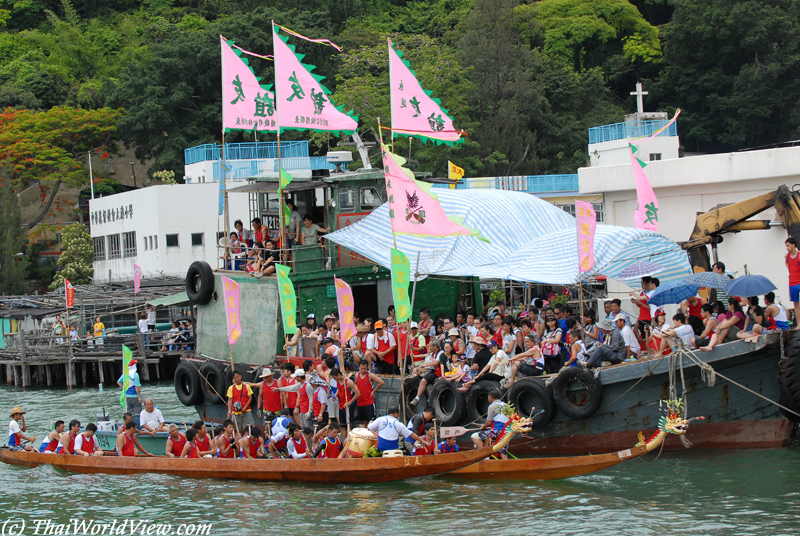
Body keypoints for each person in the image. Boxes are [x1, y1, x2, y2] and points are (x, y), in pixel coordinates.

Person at [471, 390, 510, 459]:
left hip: (496, 433)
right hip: (506, 433)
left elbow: (489, 422)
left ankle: (485, 456)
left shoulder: (491, 406)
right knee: (502, 452)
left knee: (474, 436)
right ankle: (507, 466)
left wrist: (484, 426)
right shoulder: (506, 406)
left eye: (488, 397)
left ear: (491, 397)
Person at [410, 340, 447, 408]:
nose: (429, 348)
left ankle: (417, 398)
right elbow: (425, 362)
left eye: (430, 346)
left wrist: (424, 365)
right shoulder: (431, 354)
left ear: (435, 346)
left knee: (423, 381)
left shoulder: (441, 353)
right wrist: (418, 368)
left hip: (438, 372)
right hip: (431, 370)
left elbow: (436, 363)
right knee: (416, 371)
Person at [787, 237, 800, 319]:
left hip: (799, 282)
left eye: (788, 246)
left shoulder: (799, 256)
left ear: (793, 245)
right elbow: (786, 262)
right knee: (796, 305)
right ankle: (799, 324)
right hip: (792, 283)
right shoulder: (787, 255)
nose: (787, 248)